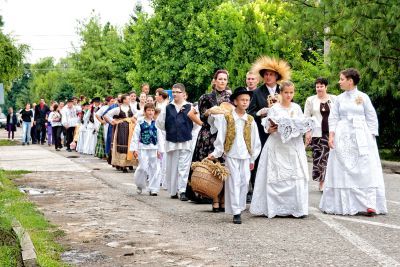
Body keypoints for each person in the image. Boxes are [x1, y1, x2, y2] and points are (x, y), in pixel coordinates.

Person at [319, 68, 387, 216]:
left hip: (361, 136)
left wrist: (371, 136)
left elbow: (371, 116)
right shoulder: (338, 99)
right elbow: (333, 118)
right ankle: (343, 204)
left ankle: (369, 204)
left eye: (342, 79)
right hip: (343, 136)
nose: (339, 82)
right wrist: (331, 136)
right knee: (344, 168)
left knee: (365, 168)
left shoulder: (363, 97)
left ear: (350, 81)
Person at [250, 81, 311, 219]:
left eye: (291, 92)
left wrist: (305, 129)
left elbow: (302, 124)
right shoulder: (274, 108)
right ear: (281, 93)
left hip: (293, 145)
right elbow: (267, 127)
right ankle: (274, 207)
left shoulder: (296, 107)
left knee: (295, 174)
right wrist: (270, 129)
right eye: (286, 92)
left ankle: (295, 207)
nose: (289, 95)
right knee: (275, 173)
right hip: (277, 144)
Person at [208, 87, 261, 224]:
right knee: (234, 182)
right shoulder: (228, 118)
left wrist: (253, 157)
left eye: (247, 100)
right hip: (231, 154)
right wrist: (216, 153)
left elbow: (255, 140)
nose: (245, 102)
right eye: (242, 100)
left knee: (244, 182)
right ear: (235, 102)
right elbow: (222, 136)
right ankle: (236, 211)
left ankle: (240, 206)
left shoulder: (250, 120)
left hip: (245, 155)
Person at [247, 56, 291, 202]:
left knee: (280, 162)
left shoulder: (283, 90)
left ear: (276, 76)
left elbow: (291, 108)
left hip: (280, 134)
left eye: (271, 74)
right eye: (265, 74)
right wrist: (261, 113)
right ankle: (257, 192)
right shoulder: (257, 93)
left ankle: (279, 193)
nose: (267, 76)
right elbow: (250, 114)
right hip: (263, 133)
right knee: (260, 161)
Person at [187, 69, 232, 209]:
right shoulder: (205, 97)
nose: (222, 81)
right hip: (209, 135)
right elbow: (202, 116)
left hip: (225, 134)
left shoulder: (231, 97)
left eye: (225, 79)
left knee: (225, 166)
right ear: (214, 80)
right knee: (212, 166)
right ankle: (214, 198)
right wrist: (211, 112)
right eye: (220, 79)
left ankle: (223, 197)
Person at [156, 83, 194, 201]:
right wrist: (171, 129)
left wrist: (187, 131)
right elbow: (160, 123)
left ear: (183, 93)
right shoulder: (167, 107)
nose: (175, 94)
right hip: (172, 141)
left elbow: (196, 124)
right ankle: (173, 190)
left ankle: (182, 190)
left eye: (178, 92)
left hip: (186, 141)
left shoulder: (190, 106)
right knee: (172, 166)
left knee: (184, 166)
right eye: (173, 92)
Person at [304, 78, 337, 191]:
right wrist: (307, 133)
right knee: (319, 158)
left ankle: (328, 182)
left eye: (321, 86)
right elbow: (306, 118)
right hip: (317, 133)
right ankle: (322, 182)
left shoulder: (334, 99)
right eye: (317, 86)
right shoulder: (310, 100)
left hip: (331, 133)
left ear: (326, 87)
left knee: (329, 158)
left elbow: (338, 115)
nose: (319, 88)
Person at [131, 103, 163, 195]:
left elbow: (159, 137)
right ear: (145, 112)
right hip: (143, 148)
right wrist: (135, 149)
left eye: (152, 110)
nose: (150, 112)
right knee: (143, 167)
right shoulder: (140, 123)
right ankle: (140, 185)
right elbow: (135, 136)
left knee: (155, 168)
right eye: (148, 110)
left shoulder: (156, 123)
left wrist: (160, 150)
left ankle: (153, 188)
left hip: (154, 148)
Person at [104, 94, 137, 173]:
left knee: (130, 144)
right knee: (122, 145)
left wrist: (134, 120)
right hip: (121, 129)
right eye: (128, 99)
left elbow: (138, 114)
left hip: (130, 128)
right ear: (124, 100)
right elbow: (106, 115)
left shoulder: (131, 108)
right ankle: (123, 165)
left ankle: (129, 163)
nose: (129, 100)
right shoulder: (118, 109)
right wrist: (113, 122)